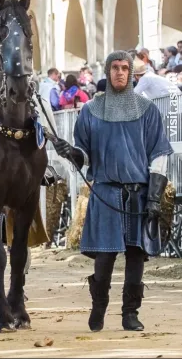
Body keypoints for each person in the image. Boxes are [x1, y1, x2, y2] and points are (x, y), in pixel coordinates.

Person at [51, 51, 172, 332]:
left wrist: (154, 197)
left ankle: (130, 313)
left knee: (135, 255)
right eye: (115, 68)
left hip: (138, 194)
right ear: (107, 71)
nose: (120, 72)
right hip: (106, 193)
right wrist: (71, 153)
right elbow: (84, 154)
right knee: (104, 257)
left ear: (131, 73)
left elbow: (159, 155)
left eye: (125, 68)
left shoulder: (147, 110)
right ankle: (98, 308)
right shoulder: (91, 111)